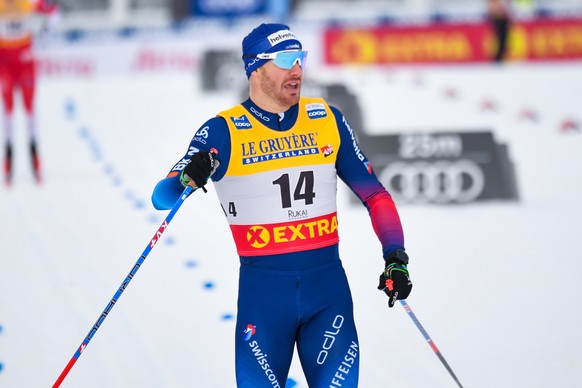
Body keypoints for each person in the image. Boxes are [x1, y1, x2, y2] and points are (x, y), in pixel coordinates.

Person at [151, 23, 412, 387]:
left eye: (301, 58)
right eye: (286, 59)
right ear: (255, 68)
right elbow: (162, 198)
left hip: (328, 298)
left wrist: (396, 258)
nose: (298, 70)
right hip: (264, 303)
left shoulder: (327, 120)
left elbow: (375, 194)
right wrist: (187, 176)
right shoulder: (223, 131)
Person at [0, 0, 58, 185]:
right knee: (8, 111)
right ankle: (8, 159)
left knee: (29, 109)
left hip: (25, 62)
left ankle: (35, 158)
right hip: (5, 63)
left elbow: (53, 12)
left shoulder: (28, 2)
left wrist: (44, 34)